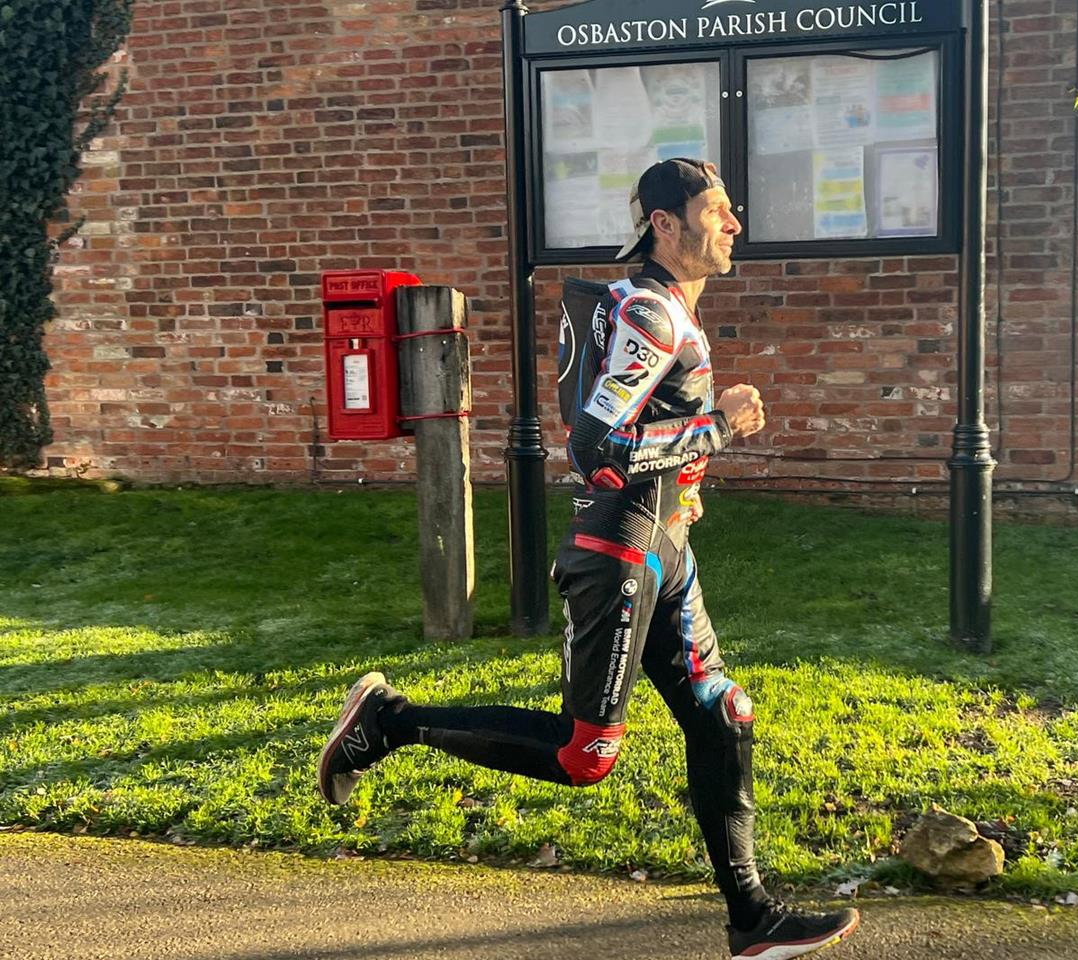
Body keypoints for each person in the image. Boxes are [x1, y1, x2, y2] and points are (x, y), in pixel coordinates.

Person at [318, 157, 860, 960]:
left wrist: (689, 476)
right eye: (717, 212)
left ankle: (752, 921)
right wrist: (717, 429)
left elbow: (642, 429)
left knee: (723, 716)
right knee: (587, 755)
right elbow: (596, 449)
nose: (735, 225)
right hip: (619, 554)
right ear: (665, 225)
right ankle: (388, 723)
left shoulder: (666, 306)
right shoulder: (651, 313)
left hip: (665, 549)